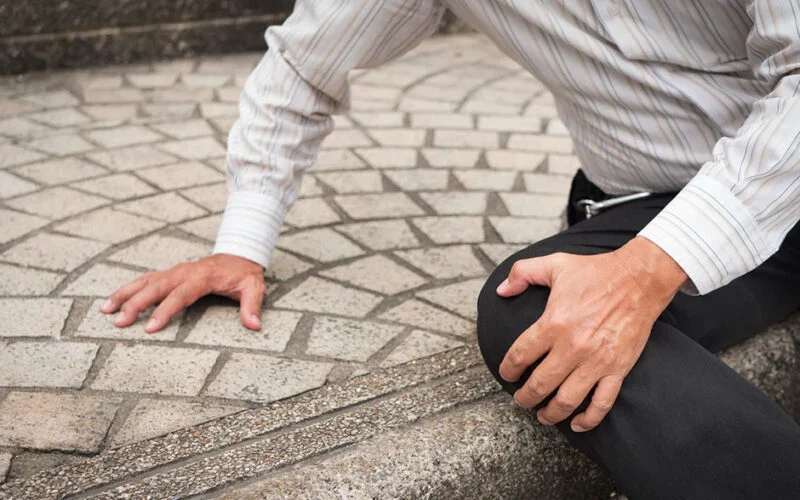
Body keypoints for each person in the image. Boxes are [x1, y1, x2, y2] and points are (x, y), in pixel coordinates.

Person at [100, 2, 800, 497]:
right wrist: (240, 243)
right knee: (533, 311)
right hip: (647, 203)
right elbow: (304, 65)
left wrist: (654, 269)